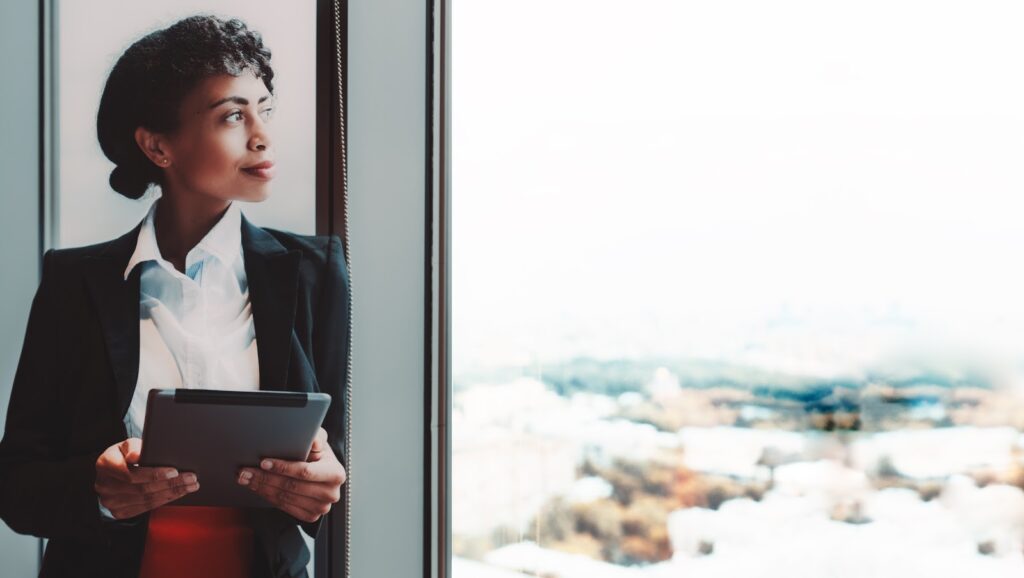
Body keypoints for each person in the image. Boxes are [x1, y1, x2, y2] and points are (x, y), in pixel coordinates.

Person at [0, 14, 349, 578]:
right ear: (158, 145)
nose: (261, 135)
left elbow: (330, 454)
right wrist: (99, 489)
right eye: (233, 115)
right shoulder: (75, 282)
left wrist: (324, 484)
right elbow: (17, 484)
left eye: (264, 110)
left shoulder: (315, 272)